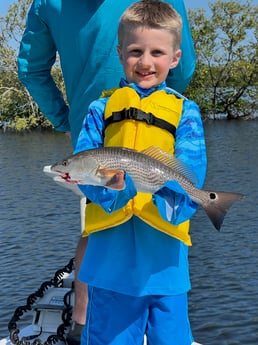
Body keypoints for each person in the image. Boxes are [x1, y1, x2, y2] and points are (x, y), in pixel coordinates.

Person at [17, 1, 196, 344]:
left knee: (96, 226)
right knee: (165, 223)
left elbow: (31, 69)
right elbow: (183, 67)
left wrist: (64, 119)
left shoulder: (46, 3)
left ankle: (84, 326)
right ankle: (159, 320)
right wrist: (166, 115)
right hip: (157, 130)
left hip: (91, 139)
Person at [74, 1, 206, 344]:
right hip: (110, 267)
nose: (146, 62)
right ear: (120, 53)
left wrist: (165, 192)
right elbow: (85, 167)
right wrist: (116, 187)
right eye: (135, 51)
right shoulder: (100, 109)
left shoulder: (185, 112)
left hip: (166, 267)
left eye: (157, 52)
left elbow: (191, 170)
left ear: (175, 57)